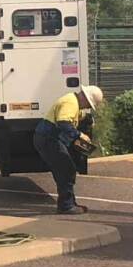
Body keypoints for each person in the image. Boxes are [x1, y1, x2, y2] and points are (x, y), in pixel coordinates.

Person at [33, 85, 103, 214]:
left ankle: (69, 203)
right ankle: (66, 205)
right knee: (66, 169)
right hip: (49, 138)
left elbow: (71, 118)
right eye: (89, 105)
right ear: (85, 99)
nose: (87, 108)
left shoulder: (72, 102)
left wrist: (84, 120)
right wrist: (80, 135)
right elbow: (64, 123)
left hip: (48, 137)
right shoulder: (70, 102)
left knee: (65, 170)